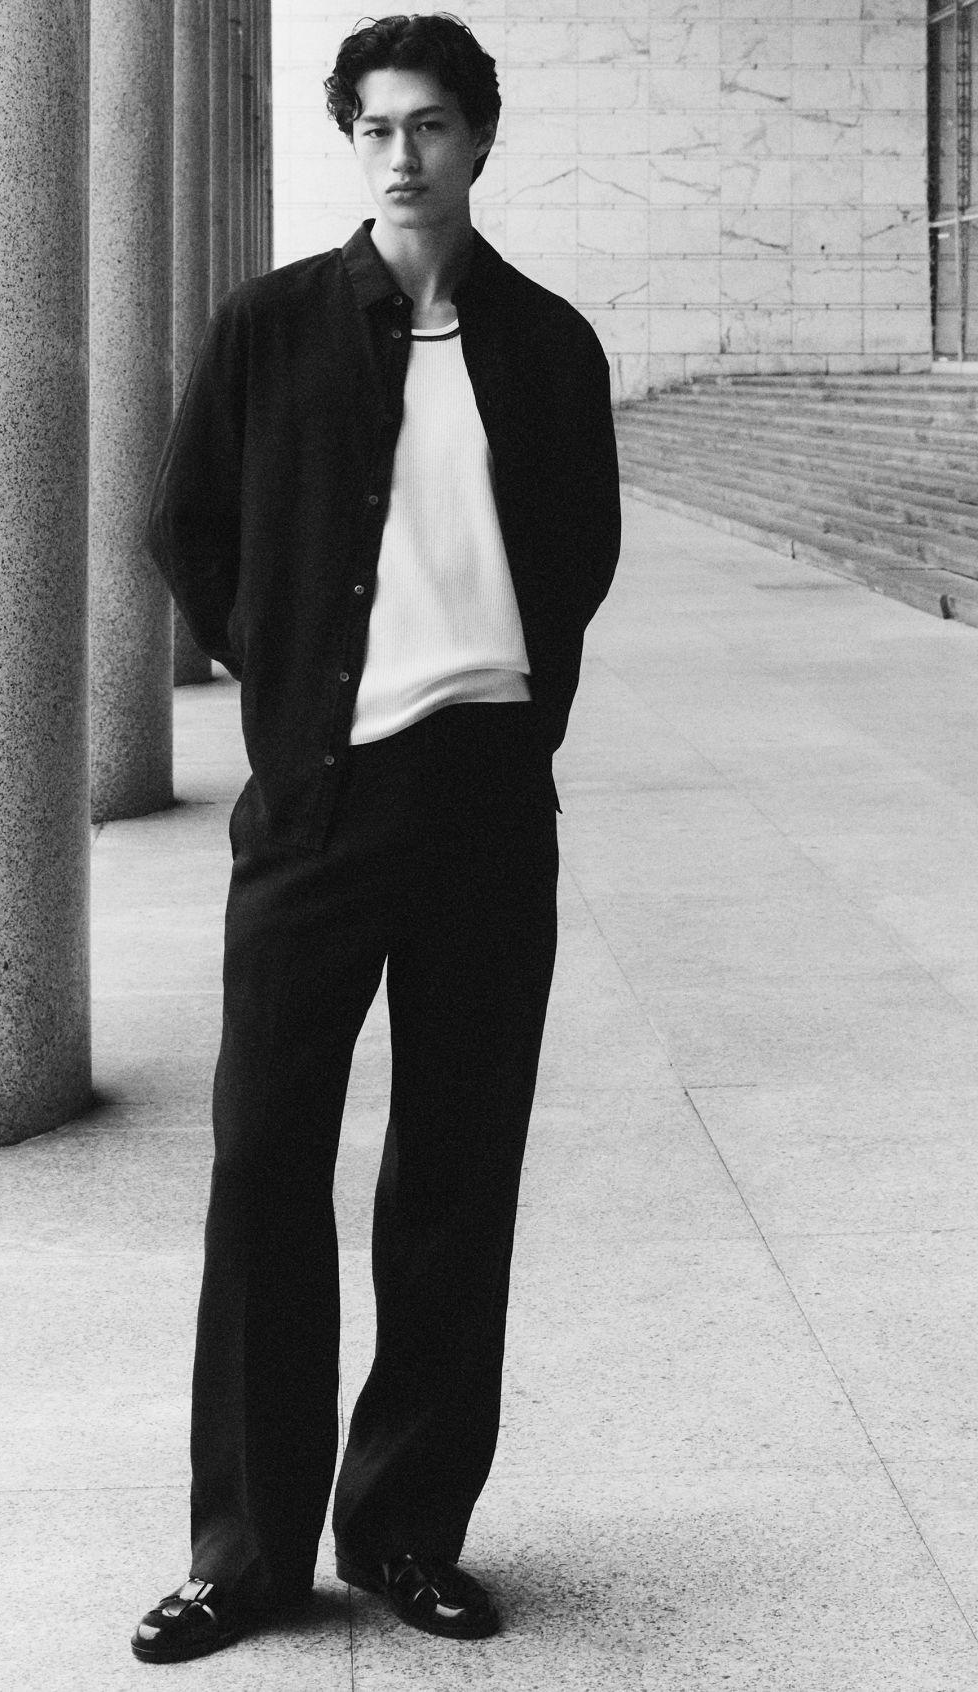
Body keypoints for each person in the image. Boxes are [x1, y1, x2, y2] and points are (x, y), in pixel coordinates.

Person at [132, 11, 620, 1665]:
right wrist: (293, 692)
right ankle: (247, 1553)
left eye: (430, 125)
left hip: (485, 799)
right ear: (353, 141)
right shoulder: (269, 328)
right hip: (320, 803)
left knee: (455, 1176)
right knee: (265, 1162)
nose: (402, 154)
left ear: (480, 139)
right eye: (375, 127)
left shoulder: (548, 345)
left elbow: (580, 552)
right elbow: (187, 526)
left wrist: (506, 705)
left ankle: (408, 1528)